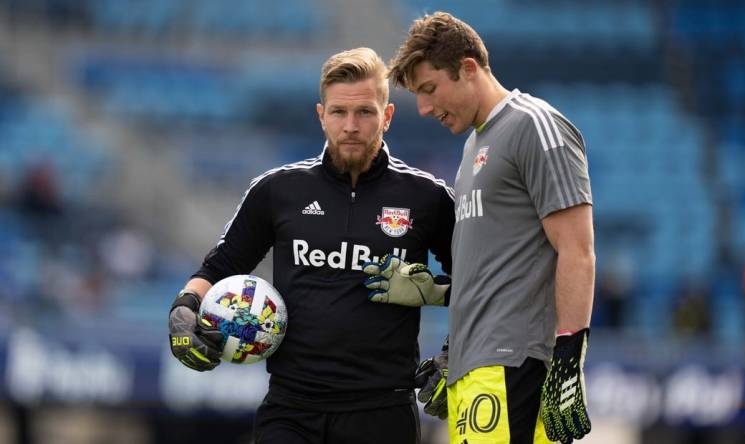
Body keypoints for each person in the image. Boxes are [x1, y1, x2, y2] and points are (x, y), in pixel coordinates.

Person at [167, 47, 455, 444]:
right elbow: (219, 268)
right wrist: (183, 309)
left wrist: (451, 351)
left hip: (383, 412)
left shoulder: (428, 196)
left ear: (386, 116)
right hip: (291, 409)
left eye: (365, 112)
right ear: (321, 116)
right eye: (339, 112)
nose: (351, 125)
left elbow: (478, 283)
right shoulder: (277, 190)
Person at [365, 12, 596, 444]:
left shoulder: (535, 125)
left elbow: (577, 249)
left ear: (468, 68)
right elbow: (499, 268)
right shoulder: (474, 144)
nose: (425, 108)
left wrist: (568, 355)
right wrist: (450, 333)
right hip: (477, 368)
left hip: (515, 363)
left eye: (430, 89)